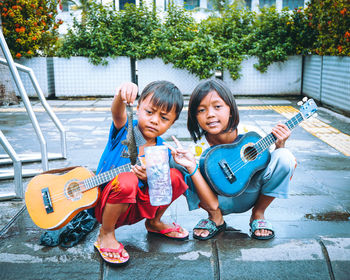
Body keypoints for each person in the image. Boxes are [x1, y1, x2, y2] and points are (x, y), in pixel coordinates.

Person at [169, 79, 296, 241]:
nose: (210, 114)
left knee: (285, 157)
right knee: (177, 162)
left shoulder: (251, 135)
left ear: (230, 109)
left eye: (217, 106)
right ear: (195, 116)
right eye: (201, 110)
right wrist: (191, 167)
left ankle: (258, 214)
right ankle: (215, 218)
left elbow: (273, 166)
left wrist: (280, 145)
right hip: (217, 201)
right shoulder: (196, 149)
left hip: (251, 194)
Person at [94, 81, 189, 266]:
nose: (154, 120)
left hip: (136, 209)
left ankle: (154, 222)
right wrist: (122, 93)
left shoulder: (162, 150)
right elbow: (117, 112)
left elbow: (157, 190)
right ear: (138, 108)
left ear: (172, 123)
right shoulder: (126, 130)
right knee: (127, 180)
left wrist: (148, 178)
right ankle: (105, 234)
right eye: (149, 112)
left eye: (164, 118)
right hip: (107, 206)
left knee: (175, 176)